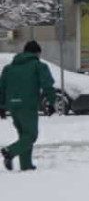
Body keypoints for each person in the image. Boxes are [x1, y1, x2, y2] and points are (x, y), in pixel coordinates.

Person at [0, 41, 57, 172]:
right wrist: (51, 101)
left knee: (24, 135)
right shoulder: (39, 66)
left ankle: (26, 165)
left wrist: (1, 106)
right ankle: (10, 151)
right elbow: (47, 85)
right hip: (28, 105)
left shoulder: (8, 68)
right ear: (37, 53)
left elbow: (1, 88)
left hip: (13, 106)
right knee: (31, 135)